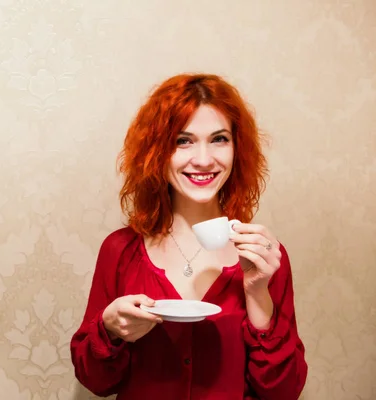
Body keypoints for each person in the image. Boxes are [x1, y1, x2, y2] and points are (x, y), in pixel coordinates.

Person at [70, 73, 308, 399]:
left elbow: (283, 392)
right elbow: (96, 382)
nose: (203, 159)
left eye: (219, 139)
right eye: (183, 140)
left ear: (238, 149)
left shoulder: (263, 255)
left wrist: (257, 294)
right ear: (157, 152)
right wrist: (110, 329)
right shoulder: (119, 250)